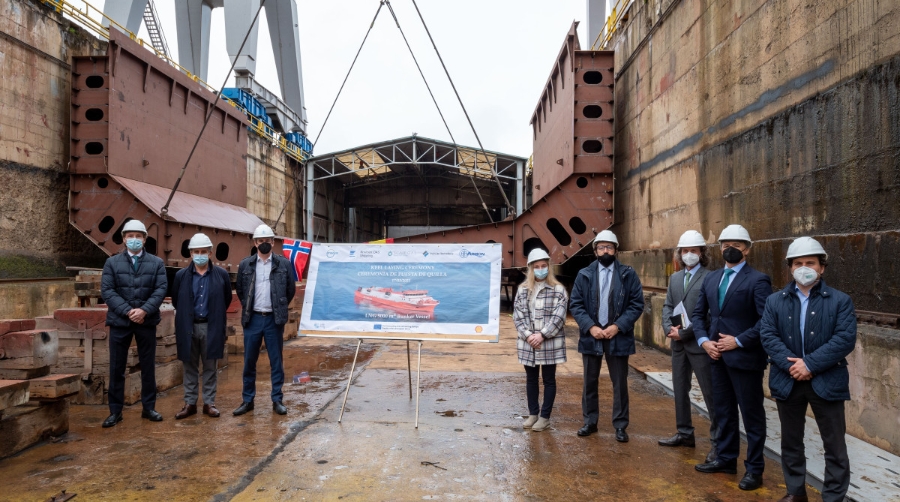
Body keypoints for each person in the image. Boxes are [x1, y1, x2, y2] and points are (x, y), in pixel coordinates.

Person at [760, 237, 856, 502]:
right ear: (790, 268)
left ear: (822, 267)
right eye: (798, 263)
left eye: (810, 263)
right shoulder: (774, 301)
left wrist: (810, 364)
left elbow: (844, 338)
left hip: (827, 381)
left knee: (834, 445)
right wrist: (793, 366)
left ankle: (833, 497)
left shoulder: (840, 301)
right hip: (788, 380)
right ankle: (795, 492)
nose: (804, 268)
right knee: (791, 441)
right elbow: (768, 336)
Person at [691, 224, 772, 491]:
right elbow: (698, 315)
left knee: (751, 416)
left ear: (747, 249)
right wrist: (704, 341)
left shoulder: (758, 280)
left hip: (745, 359)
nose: (730, 249)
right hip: (716, 358)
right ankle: (725, 459)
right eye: (725, 244)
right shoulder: (711, 279)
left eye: (737, 245)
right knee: (724, 412)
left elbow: (766, 320)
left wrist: (738, 341)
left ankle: (754, 469)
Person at [570, 230, 644, 442]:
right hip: (592, 335)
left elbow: (636, 304)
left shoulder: (628, 274)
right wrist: (590, 327)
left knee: (619, 383)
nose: (605, 251)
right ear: (595, 251)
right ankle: (590, 422)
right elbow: (576, 304)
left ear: (616, 250)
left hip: (617, 337)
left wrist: (618, 326)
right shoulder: (584, 274)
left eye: (609, 247)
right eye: (601, 247)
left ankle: (620, 425)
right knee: (589, 381)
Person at [99, 219, 167, 427]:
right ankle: (115, 411)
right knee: (117, 368)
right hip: (120, 322)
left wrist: (145, 310)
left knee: (148, 366)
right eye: (131, 236)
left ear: (145, 239)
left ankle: (149, 408)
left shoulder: (156, 263)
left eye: (138, 237)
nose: (134, 240)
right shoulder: (112, 263)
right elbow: (108, 291)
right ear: (124, 239)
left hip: (146, 321)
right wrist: (128, 311)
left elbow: (161, 289)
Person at [659, 230, 719, 463]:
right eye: (685, 251)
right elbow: (667, 306)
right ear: (680, 254)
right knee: (679, 390)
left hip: (698, 344)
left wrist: (684, 332)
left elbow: (709, 313)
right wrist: (668, 330)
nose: (689, 255)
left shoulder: (710, 277)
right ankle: (684, 433)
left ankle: (717, 442)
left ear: (702, 253)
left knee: (710, 393)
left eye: (694, 251)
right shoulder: (675, 278)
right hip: (678, 346)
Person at [233, 224, 296, 416]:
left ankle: (277, 399)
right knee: (249, 362)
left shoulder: (283, 264)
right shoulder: (246, 265)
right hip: (252, 320)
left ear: (273, 242)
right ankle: (247, 400)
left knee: (276, 362)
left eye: (267, 241)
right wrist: (250, 307)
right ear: (255, 243)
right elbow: (242, 291)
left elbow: (290, 290)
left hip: (273, 320)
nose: (264, 244)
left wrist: (277, 307)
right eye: (260, 241)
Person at [172, 233, 233, 419]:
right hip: (188, 326)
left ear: (210, 253)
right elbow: (176, 300)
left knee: (210, 366)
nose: (200, 255)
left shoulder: (221, 275)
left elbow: (226, 299)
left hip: (210, 326)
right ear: (190, 253)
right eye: (196, 251)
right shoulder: (181, 276)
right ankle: (190, 403)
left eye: (203, 251)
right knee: (189, 367)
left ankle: (209, 403)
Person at [513, 248, 568, 432]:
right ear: (531, 268)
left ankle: (545, 417)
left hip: (549, 342)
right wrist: (528, 335)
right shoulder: (522, 290)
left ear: (549, 267)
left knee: (549, 379)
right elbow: (518, 316)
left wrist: (542, 334)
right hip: (529, 342)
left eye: (544, 266)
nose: (541, 269)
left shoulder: (558, 290)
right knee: (531, 379)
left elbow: (558, 317)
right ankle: (533, 414)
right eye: (537, 266)